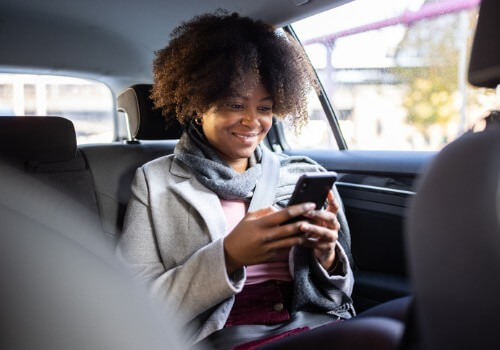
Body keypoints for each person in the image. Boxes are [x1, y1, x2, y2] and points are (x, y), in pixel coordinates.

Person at [117, 10, 355, 349]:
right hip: (220, 336)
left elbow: (341, 295)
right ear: (198, 103)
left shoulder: (300, 174)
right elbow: (136, 306)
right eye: (235, 104)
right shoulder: (154, 182)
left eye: (264, 108)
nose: (251, 121)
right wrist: (228, 256)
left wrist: (327, 255)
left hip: (308, 325)